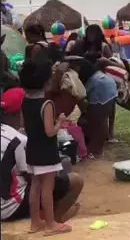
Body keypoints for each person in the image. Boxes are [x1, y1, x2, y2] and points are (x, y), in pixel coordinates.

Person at [1, 88, 84, 227]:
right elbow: (35, 177)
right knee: (74, 180)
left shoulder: (8, 134)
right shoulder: (19, 140)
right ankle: (54, 220)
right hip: (8, 208)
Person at [17, 57, 72, 235]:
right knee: (48, 188)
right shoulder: (47, 104)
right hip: (46, 152)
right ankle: (51, 223)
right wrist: (60, 122)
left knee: (35, 186)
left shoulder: (25, 102)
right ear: (46, 83)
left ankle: (35, 222)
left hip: (32, 150)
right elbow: (49, 131)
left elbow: (23, 125)